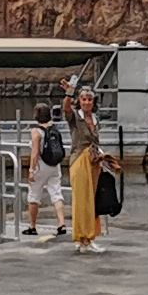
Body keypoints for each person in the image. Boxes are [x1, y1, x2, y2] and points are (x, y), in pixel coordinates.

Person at [68, 83, 103, 248]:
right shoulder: (76, 117)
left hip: (94, 161)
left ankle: (90, 236)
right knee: (81, 200)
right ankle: (81, 237)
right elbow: (66, 110)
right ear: (79, 101)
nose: (87, 102)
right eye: (84, 99)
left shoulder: (95, 119)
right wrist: (69, 93)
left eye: (89, 99)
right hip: (80, 159)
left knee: (92, 200)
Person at [26, 100, 66, 239]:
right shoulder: (54, 130)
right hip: (54, 166)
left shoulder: (36, 132)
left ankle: (32, 226)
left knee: (34, 195)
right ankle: (61, 223)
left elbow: (35, 152)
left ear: (36, 116)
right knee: (56, 193)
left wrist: (31, 171)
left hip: (41, 166)